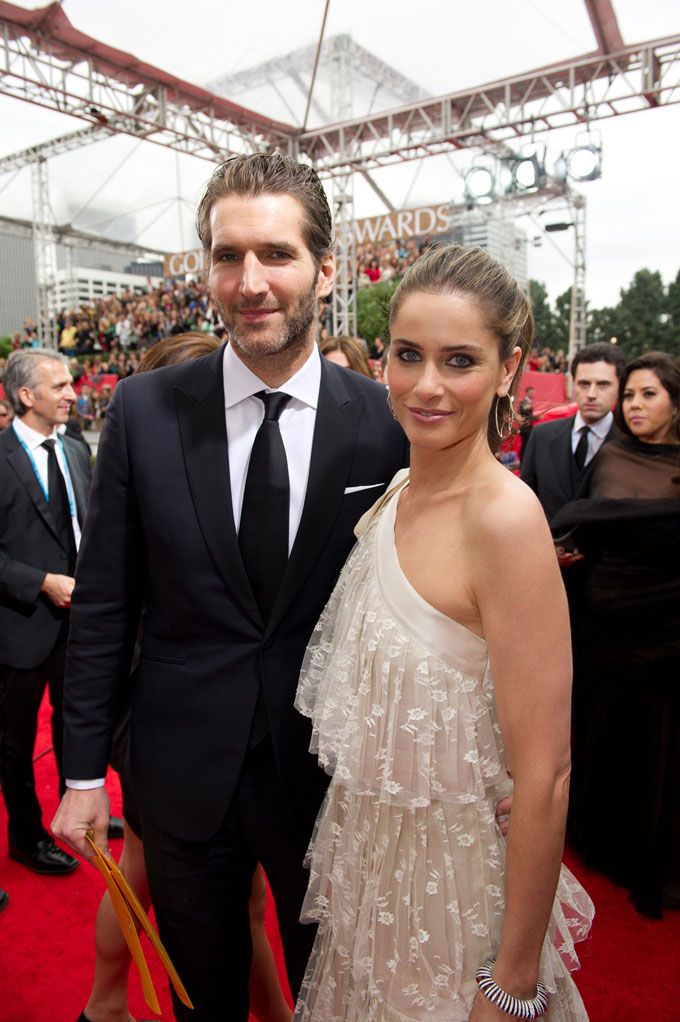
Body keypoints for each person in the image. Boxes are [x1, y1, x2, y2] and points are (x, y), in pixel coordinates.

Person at [52, 153, 410, 1021]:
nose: (250, 282)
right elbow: (105, 600)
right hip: (181, 773)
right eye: (226, 256)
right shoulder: (142, 410)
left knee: (336, 990)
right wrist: (83, 771)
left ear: (327, 268)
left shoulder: (388, 420)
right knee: (198, 994)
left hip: (332, 774)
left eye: (276, 255)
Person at [293, 244, 593, 1021]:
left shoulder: (504, 518)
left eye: (459, 360)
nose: (426, 386)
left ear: (508, 368)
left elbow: (547, 773)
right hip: (374, 878)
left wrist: (512, 981)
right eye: (407, 356)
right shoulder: (394, 494)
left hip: (460, 903)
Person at [80, 331, 292, 1022]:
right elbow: (110, 602)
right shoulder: (148, 440)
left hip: (248, 733)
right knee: (149, 881)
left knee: (246, 902)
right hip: (163, 724)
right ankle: (105, 1002)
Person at [552, 351, 680, 918]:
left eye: (647, 394)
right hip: (603, 630)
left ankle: (645, 856)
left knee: (658, 745)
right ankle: (603, 840)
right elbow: (589, 527)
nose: (634, 405)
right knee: (607, 736)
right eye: (630, 395)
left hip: (667, 635)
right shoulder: (612, 454)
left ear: (674, 400)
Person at [0, 350, 91, 876]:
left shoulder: (77, 450)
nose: (72, 392)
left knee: (74, 724)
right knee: (14, 743)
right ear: (26, 396)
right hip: (20, 625)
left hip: (80, 622)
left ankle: (73, 814)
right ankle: (26, 835)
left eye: (71, 382)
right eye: (58, 385)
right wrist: (40, 583)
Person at [521, 343, 624, 523]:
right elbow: (524, 504)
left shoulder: (630, 443)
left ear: (619, 388)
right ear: (572, 385)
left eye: (603, 385)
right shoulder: (542, 436)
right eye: (584, 384)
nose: (591, 394)